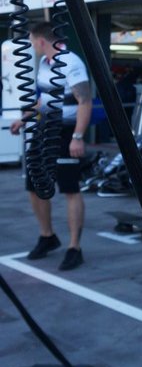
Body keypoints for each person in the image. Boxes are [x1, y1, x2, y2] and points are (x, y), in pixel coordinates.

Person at [10, 20, 91, 271]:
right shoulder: (44, 65)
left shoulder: (71, 62)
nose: (32, 45)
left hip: (67, 132)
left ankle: (74, 247)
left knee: (69, 188)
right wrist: (23, 118)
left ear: (41, 40)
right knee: (34, 185)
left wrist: (78, 136)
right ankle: (48, 236)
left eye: (32, 41)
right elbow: (45, 100)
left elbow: (85, 100)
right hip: (45, 130)